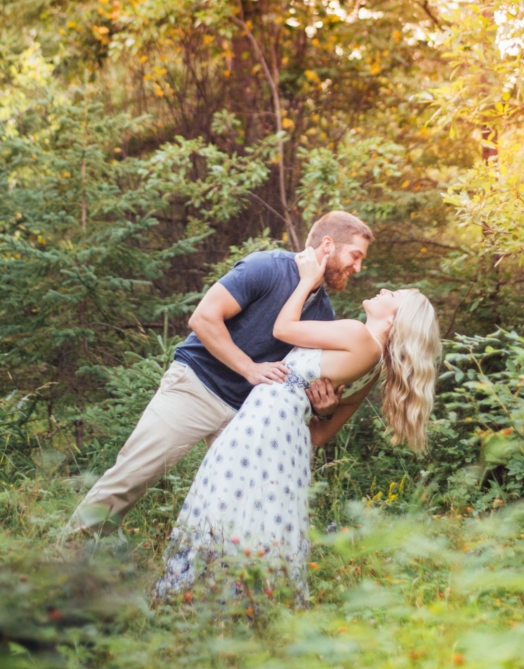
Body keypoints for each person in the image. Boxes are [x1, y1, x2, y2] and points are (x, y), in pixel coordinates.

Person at [154, 246, 441, 604]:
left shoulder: (357, 335)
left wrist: (306, 282)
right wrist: (317, 409)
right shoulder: (373, 364)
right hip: (285, 438)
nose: (384, 291)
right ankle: (252, 605)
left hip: (264, 424)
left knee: (226, 507)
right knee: (259, 518)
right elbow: (320, 433)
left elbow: (282, 328)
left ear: (397, 317)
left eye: (393, 295)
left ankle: (197, 599)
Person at [67, 211, 374, 534]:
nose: (357, 267)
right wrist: (248, 368)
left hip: (245, 415)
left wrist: (323, 411)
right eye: (355, 256)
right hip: (195, 386)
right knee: (130, 478)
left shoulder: (325, 314)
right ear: (327, 244)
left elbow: (305, 383)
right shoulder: (267, 266)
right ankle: (66, 560)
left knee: (238, 510)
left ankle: (212, 579)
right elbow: (203, 318)